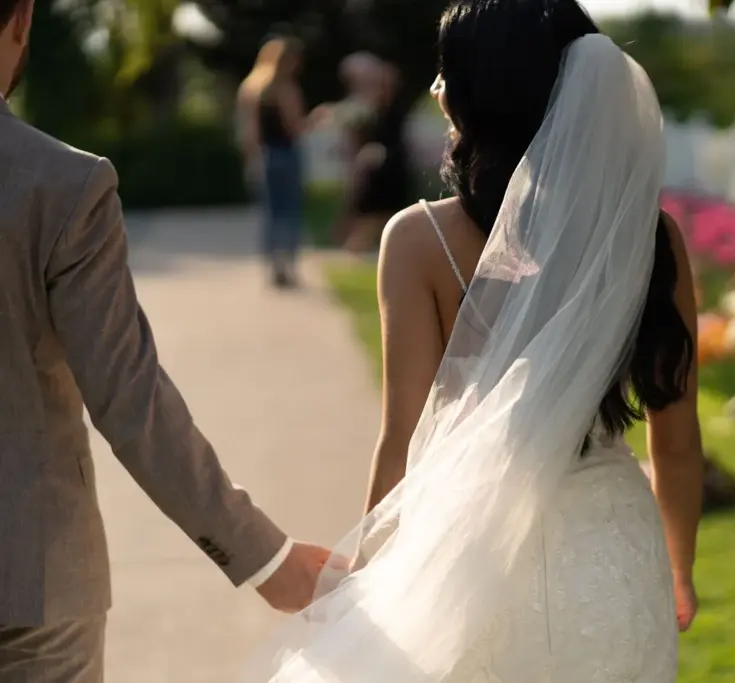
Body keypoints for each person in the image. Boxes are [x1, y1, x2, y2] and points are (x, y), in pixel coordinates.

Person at [242, 1, 703, 681]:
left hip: (478, 557)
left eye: (444, 72)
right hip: (617, 557)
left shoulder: (418, 241)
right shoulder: (647, 238)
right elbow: (678, 436)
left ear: (479, 94)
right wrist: (679, 566)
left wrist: (368, 580)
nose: (435, 89)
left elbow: (403, 437)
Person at [0, 3, 333, 681]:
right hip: (31, 585)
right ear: (21, 21)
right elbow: (130, 399)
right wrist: (268, 559)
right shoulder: (62, 187)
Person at [237, 37, 320, 288]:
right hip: (286, 153)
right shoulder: (286, 88)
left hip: (265, 155)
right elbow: (295, 127)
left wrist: (251, 159)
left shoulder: (252, 87)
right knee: (290, 211)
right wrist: (316, 119)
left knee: (270, 213)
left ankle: (273, 265)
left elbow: (249, 132)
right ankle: (289, 265)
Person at [332, 52, 402, 252]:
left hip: (390, 167)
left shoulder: (395, 110)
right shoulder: (373, 109)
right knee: (369, 216)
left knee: (383, 216)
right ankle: (350, 251)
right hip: (376, 169)